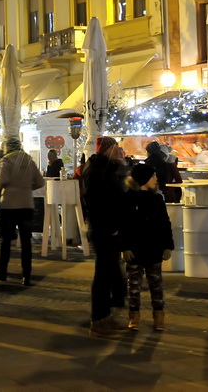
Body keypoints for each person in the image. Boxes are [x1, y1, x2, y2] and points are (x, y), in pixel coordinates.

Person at [83, 136, 129, 337]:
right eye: (116, 147)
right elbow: (98, 202)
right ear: (108, 149)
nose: (119, 151)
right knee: (103, 275)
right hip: (104, 229)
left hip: (108, 227)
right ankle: (99, 320)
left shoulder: (107, 169)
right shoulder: (99, 171)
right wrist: (109, 227)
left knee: (110, 272)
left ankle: (106, 316)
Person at [121, 162, 174, 331]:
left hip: (154, 248)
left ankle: (159, 316)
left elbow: (165, 223)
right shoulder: (128, 199)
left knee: (156, 284)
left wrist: (167, 246)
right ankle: (134, 316)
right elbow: (123, 225)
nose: (156, 179)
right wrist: (125, 247)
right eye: (153, 176)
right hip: (135, 249)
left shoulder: (157, 199)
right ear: (144, 179)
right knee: (133, 286)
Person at [0, 137, 44, 286]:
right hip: (26, 204)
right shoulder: (29, 161)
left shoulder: (6, 161)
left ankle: (3, 271)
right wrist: (25, 188)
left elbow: (2, 182)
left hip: (9, 204)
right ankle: (26, 275)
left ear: (7, 147)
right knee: (26, 242)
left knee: (6, 241)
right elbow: (40, 182)